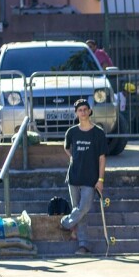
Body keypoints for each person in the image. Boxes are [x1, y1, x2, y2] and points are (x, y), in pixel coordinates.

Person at [60, 99, 109, 255]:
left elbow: (102, 158)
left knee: (84, 207)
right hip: (74, 176)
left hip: (90, 177)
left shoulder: (98, 133)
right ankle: (83, 244)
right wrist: (73, 157)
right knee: (79, 211)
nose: (82, 112)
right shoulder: (72, 132)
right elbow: (66, 148)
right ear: (76, 113)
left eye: (85, 109)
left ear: (89, 111)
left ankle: (66, 223)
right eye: (79, 110)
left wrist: (100, 180)